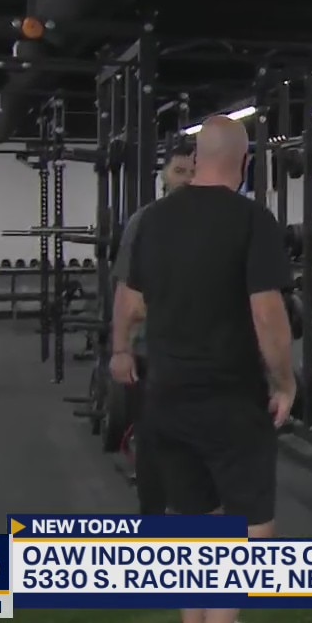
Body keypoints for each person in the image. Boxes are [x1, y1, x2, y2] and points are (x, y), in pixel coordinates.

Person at [110, 116, 293, 623]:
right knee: (256, 532)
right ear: (245, 162)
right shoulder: (253, 220)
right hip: (231, 399)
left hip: (166, 396)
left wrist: (120, 348)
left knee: (196, 526)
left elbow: (131, 301)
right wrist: (285, 383)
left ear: (196, 157)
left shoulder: (151, 220)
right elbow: (267, 314)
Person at [110, 147, 196, 515]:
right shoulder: (143, 222)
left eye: (193, 172)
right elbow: (126, 291)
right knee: (154, 439)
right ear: (164, 176)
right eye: (180, 171)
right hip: (154, 352)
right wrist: (121, 350)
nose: (187, 179)